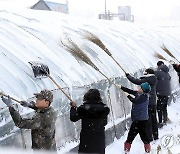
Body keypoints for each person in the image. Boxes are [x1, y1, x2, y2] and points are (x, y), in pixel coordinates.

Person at [70, 89, 110, 154]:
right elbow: (104, 123)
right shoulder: (103, 109)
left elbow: (73, 118)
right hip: (99, 140)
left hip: (86, 141)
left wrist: (73, 108)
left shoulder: (83, 109)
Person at [125, 68, 159, 142]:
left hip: (147, 102)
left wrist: (128, 76)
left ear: (147, 73)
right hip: (153, 101)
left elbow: (136, 81)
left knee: (148, 120)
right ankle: (156, 135)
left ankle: (149, 137)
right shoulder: (154, 79)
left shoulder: (146, 80)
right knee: (154, 119)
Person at [120, 82, 151, 153]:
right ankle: (128, 149)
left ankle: (128, 150)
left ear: (143, 90)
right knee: (136, 134)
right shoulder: (139, 94)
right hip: (138, 119)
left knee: (141, 135)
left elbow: (135, 101)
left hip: (141, 120)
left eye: (140, 87)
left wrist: (128, 96)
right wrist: (121, 87)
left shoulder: (144, 96)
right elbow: (130, 91)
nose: (138, 88)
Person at [155, 61, 171, 128]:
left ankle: (160, 122)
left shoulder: (157, 72)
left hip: (160, 93)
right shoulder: (167, 73)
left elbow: (151, 77)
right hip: (167, 93)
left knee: (159, 108)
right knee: (164, 107)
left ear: (158, 66)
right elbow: (169, 78)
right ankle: (165, 120)